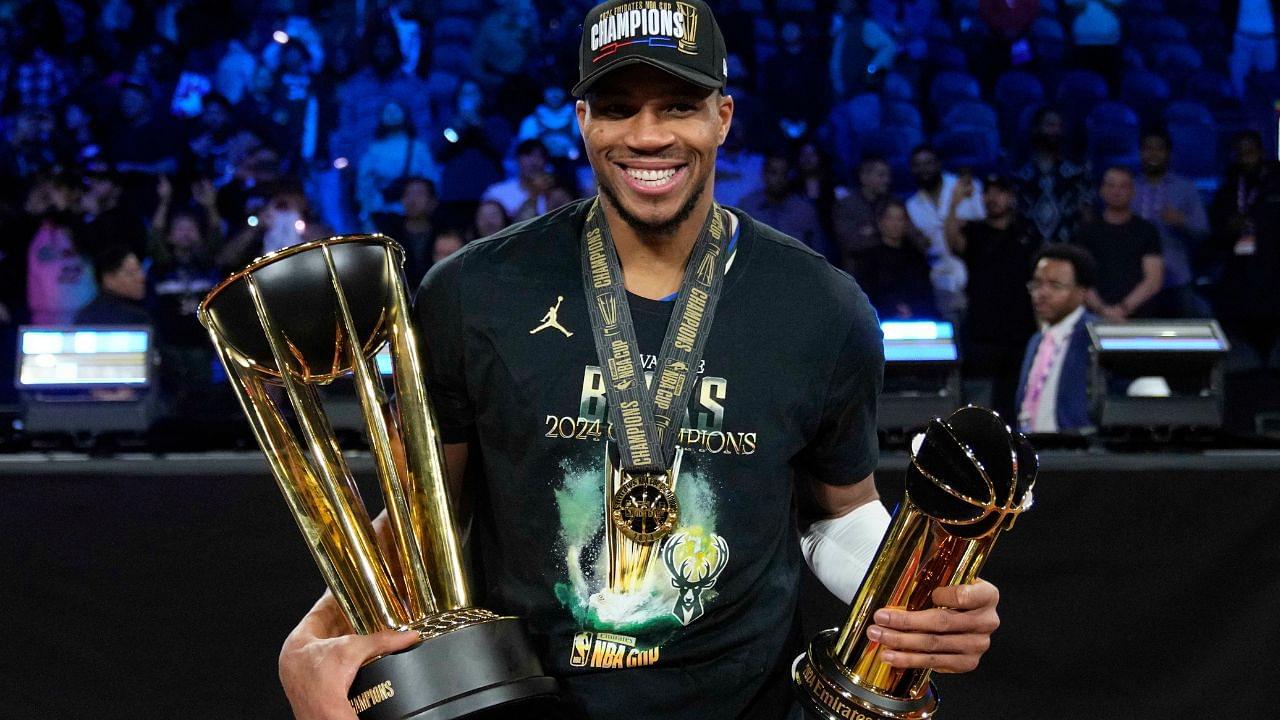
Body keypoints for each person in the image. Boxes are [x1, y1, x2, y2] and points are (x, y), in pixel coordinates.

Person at [277, 2, 1003, 719]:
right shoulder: (472, 293)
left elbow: (838, 513)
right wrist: (309, 643)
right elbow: (422, 520)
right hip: (524, 703)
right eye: (618, 108)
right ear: (583, 121)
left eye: (679, 106)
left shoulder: (824, 308)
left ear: (723, 116)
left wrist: (922, 597)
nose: (648, 136)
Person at [946, 175, 1038, 421]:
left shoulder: (1027, 233)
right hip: (982, 332)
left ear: (1012, 197)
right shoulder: (974, 231)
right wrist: (954, 202)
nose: (993, 198)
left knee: (1014, 399)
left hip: (1019, 330)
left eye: (1000, 192)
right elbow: (953, 242)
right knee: (980, 402)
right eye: (988, 192)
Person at [1016, 243, 1099, 433]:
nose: (1041, 293)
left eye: (1055, 285)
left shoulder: (1095, 336)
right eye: (1037, 284)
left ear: (1082, 292)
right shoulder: (1037, 341)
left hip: (1076, 455)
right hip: (1034, 452)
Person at [1133, 130, 1210, 317]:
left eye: (1159, 149)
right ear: (1140, 152)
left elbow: (1203, 232)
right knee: (1140, 339)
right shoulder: (1129, 187)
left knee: (1188, 338)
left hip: (1177, 278)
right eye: (1147, 149)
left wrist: (1181, 221)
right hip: (1135, 280)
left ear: (1169, 154)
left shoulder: (1185, 188)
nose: (1153, 154)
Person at [905, 145, 984, 321]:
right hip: (941, 278)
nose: (923, 169)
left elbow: (984, 222)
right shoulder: (912, 205)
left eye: (928, 163)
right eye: (917, 165)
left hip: (976, 268)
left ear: (939, 164)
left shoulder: (966, 187)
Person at [1074, 167, 1165, 320]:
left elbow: (1153, 280)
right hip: (1094, 317)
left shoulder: (1147, 230)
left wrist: (1123, 309)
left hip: (1139, 317)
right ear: (1101, 190)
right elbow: (1080, 278)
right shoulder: (1086, 232)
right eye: (1111, 185)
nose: (1116, 191)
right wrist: (1103, 310)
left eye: (1123, 186)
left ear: (1133, 191)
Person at [1012, 107, 1094, 245]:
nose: (1055, 131)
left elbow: (1087, 217)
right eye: (1050, 125)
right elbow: (1013, 216)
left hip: (1067, 249)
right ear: (1037, 129)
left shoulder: (1077, 175)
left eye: (1059, 126)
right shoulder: (1020, 176)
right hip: (1029, 251)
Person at [737, 150, 831, 259]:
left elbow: (819, 252)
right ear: (764, 174)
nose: (779, 179)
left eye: (784, 173)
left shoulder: (804, 210)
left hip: (796, 271)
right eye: (774, 172)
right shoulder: (747, 207)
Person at [853, 199, 937, 319]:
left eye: (900, 219)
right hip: (880, 318)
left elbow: (925, 291)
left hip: (917, 316)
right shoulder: (868, 258)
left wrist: (911, 308)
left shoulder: (916, 256)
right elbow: (865, 294)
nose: (895, 224)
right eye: (890, 218)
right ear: (880, 222)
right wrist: (893, 307)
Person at [831, 154, 893, 273]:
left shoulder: (891, 203)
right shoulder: (845, 206)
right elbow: (850, 243)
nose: (887, 180)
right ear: (864, 177)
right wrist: (884, 231)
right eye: (881, 175)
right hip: (859, 275)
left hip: (888, 272)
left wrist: (873, 230)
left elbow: (900, 239)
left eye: (888, 175)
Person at [372, 177, 439, 284]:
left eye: (419, 194)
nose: (412, 200)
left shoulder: (442, 233)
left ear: (432, 201)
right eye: (407, 194)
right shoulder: (389, 235)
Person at [75, 244, 149, 325]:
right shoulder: (136, 319)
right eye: (131, 273)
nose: (141, 278)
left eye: (140, 270)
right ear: (109, 279)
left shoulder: (84, 315)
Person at [481, 139, 554, 219]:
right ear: (518, 159)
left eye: (539, 156)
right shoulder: (496, 193)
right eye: (528, 155)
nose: (534, 162)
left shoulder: (555, 195)